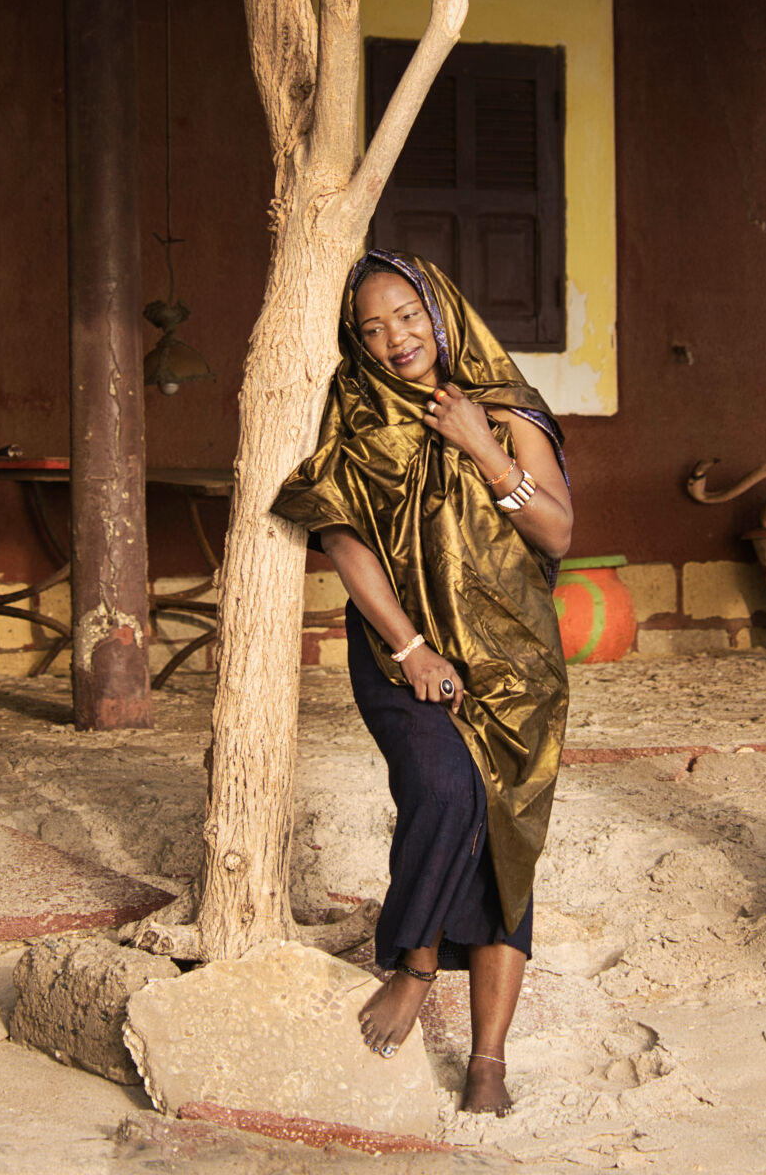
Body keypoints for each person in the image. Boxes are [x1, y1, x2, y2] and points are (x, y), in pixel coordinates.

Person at [273, 250, 572, 1117]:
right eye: (370, 327)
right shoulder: (357, 414)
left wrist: (482, 447)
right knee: (447, 792)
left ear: (440, 309)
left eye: (405, 315)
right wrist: (408, 648)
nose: (393, 338)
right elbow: (342, 538)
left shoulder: (511, 410)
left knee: (506, 844)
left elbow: (554, 534)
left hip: (517, 668)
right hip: (408, 657)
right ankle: (411, 965)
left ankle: (487, 1060)